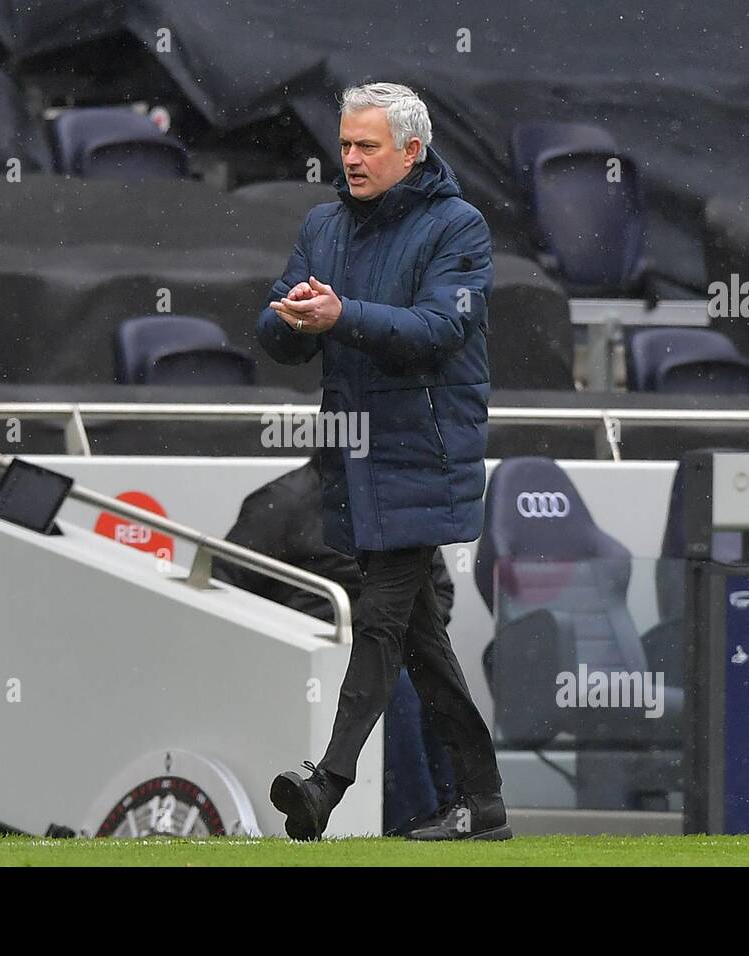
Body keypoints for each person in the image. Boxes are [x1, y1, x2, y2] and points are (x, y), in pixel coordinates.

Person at [257, 82, 509, 840]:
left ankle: (326, 781)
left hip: (424, 453)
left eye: (367, 145)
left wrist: (342, 316)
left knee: (380, 618)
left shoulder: (460, 228)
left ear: (412, 150)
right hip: (355, 454)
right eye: (345, 144)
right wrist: (294, 319)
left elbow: (437, 330)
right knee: (420, 638)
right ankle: (484, 802)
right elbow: (274, 334)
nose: (351, 158)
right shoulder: (323, 225)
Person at [213, 455, 458, 834]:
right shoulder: (284, 501)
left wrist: (401, 640)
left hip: (394, 651)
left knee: (439, 684)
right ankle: (415, 823)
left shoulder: (398, 504)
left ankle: (457, 813)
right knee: (401, 691)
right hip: (312, 657)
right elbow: (223, 583)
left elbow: (439, 589)